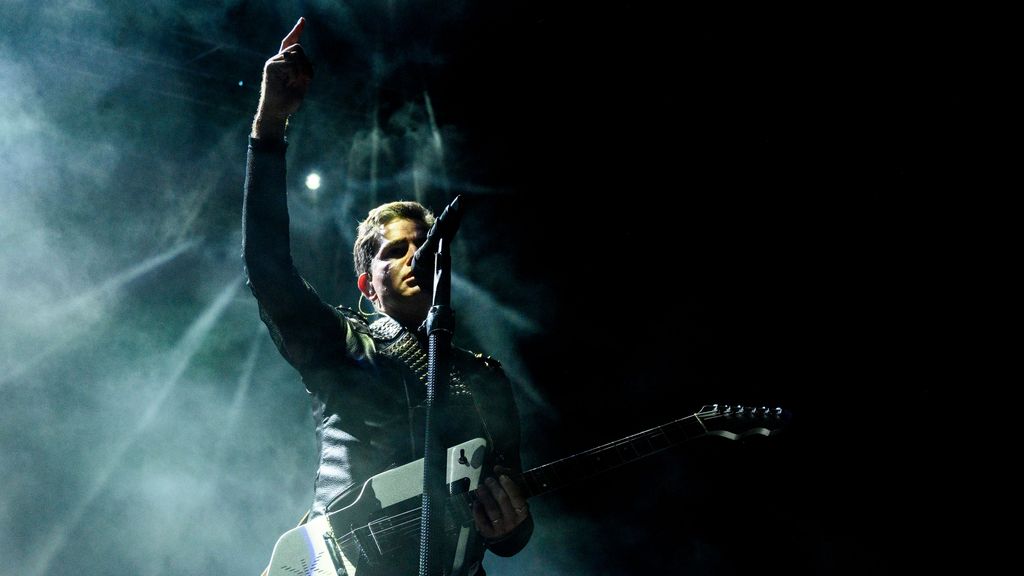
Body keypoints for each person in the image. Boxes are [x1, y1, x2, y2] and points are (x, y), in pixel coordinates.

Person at [243, 17, 533, 576]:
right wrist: (270, 125)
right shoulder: (341, 344)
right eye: (393, 251)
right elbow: (268, 269)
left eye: (423, 246)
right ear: (365, 282)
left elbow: (511, 525)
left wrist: (512, 527)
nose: (412, 257)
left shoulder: (484, 379)